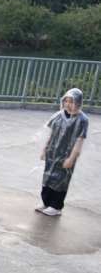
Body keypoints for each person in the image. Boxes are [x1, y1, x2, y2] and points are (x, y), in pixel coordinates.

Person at [36, 88, 89, 217]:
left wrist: (71, 158)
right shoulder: (58, 116)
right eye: (66, 101)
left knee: (61, 180)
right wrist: (44, 149)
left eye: (71, 102)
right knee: (48, 178)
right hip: (52, 154)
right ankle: (46, 202)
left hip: (66, 156)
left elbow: (79, 140)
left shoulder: (82, 120)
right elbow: (50, 133)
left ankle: (56, 206)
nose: (68, 104)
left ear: (78, 103)